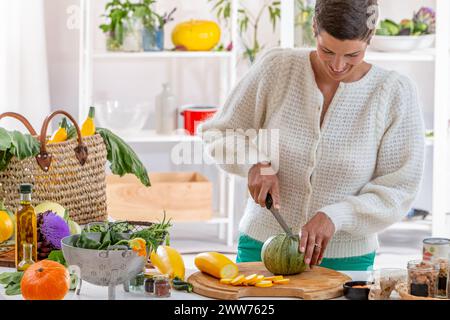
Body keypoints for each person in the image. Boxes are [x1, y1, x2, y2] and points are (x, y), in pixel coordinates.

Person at [200, 0, 425, 271]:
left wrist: (336, 216)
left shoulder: (394, 92)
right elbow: (220, 132)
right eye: (326, 50)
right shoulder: (278, 67)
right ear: (314, 27)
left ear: (370, 38)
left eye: (352, 55)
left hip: (346, 260)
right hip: (262, 247)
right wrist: (254, 162)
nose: (337, 65)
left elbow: (398, 189)